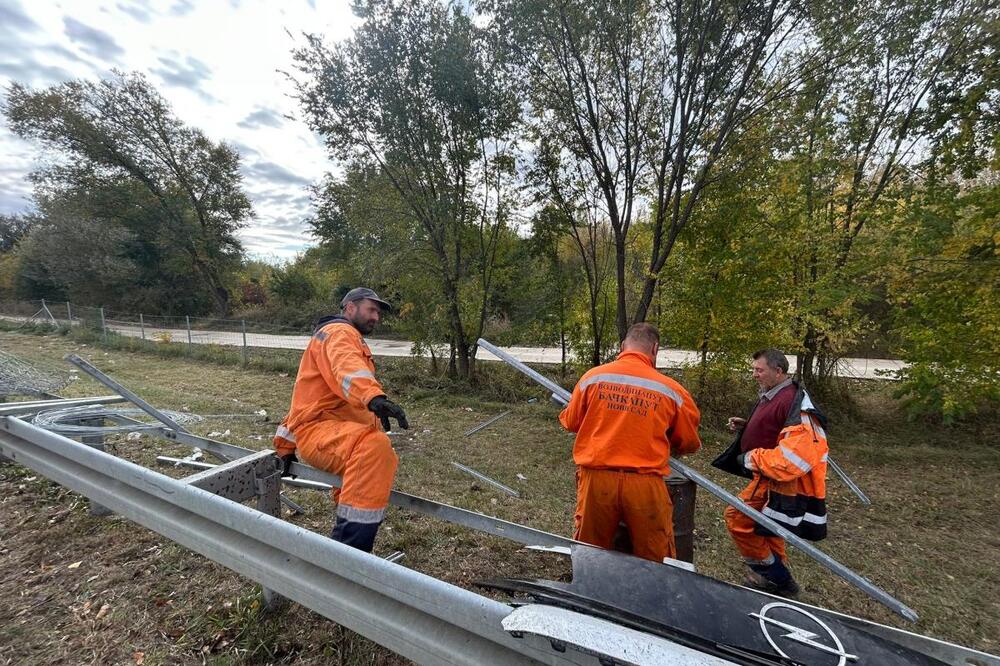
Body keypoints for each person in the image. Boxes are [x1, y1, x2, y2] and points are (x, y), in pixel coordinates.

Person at [272, 287, 409, 552]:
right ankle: (348, 554)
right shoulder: (340, 333)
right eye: (371, 310)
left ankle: (346, 550)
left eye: (378, 313)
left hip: (336, 433)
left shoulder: (334, 336)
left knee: (364, 467)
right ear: (349, 308)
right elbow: (347, 368)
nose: (376, 317)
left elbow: (307, 400)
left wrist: (284, 446)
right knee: (373, 448)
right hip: (322, 433)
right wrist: (373, 397)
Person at [558, 323, 702, 563]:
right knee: (656, 556)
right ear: (655, 349)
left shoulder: (593, 377)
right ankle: (650, 597)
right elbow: (688, 442)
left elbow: (571, 422)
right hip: (645, 485)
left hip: (597, 481)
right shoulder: (672, 391)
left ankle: (589, 592)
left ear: (623, 346)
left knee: (589, 552)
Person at [716, 348, 829, 597]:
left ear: (778, 372)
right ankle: (771, 578)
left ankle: (777, 578)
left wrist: (750, 457)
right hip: (768, 474)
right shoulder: (774, 393)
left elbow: (793, 457)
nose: (754, 374)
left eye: (759, 370)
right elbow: (778, 429)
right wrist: (749, 427)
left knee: (737, 518)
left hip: (776, 478)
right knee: (769, 526)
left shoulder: (793, 402)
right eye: (754, 369)